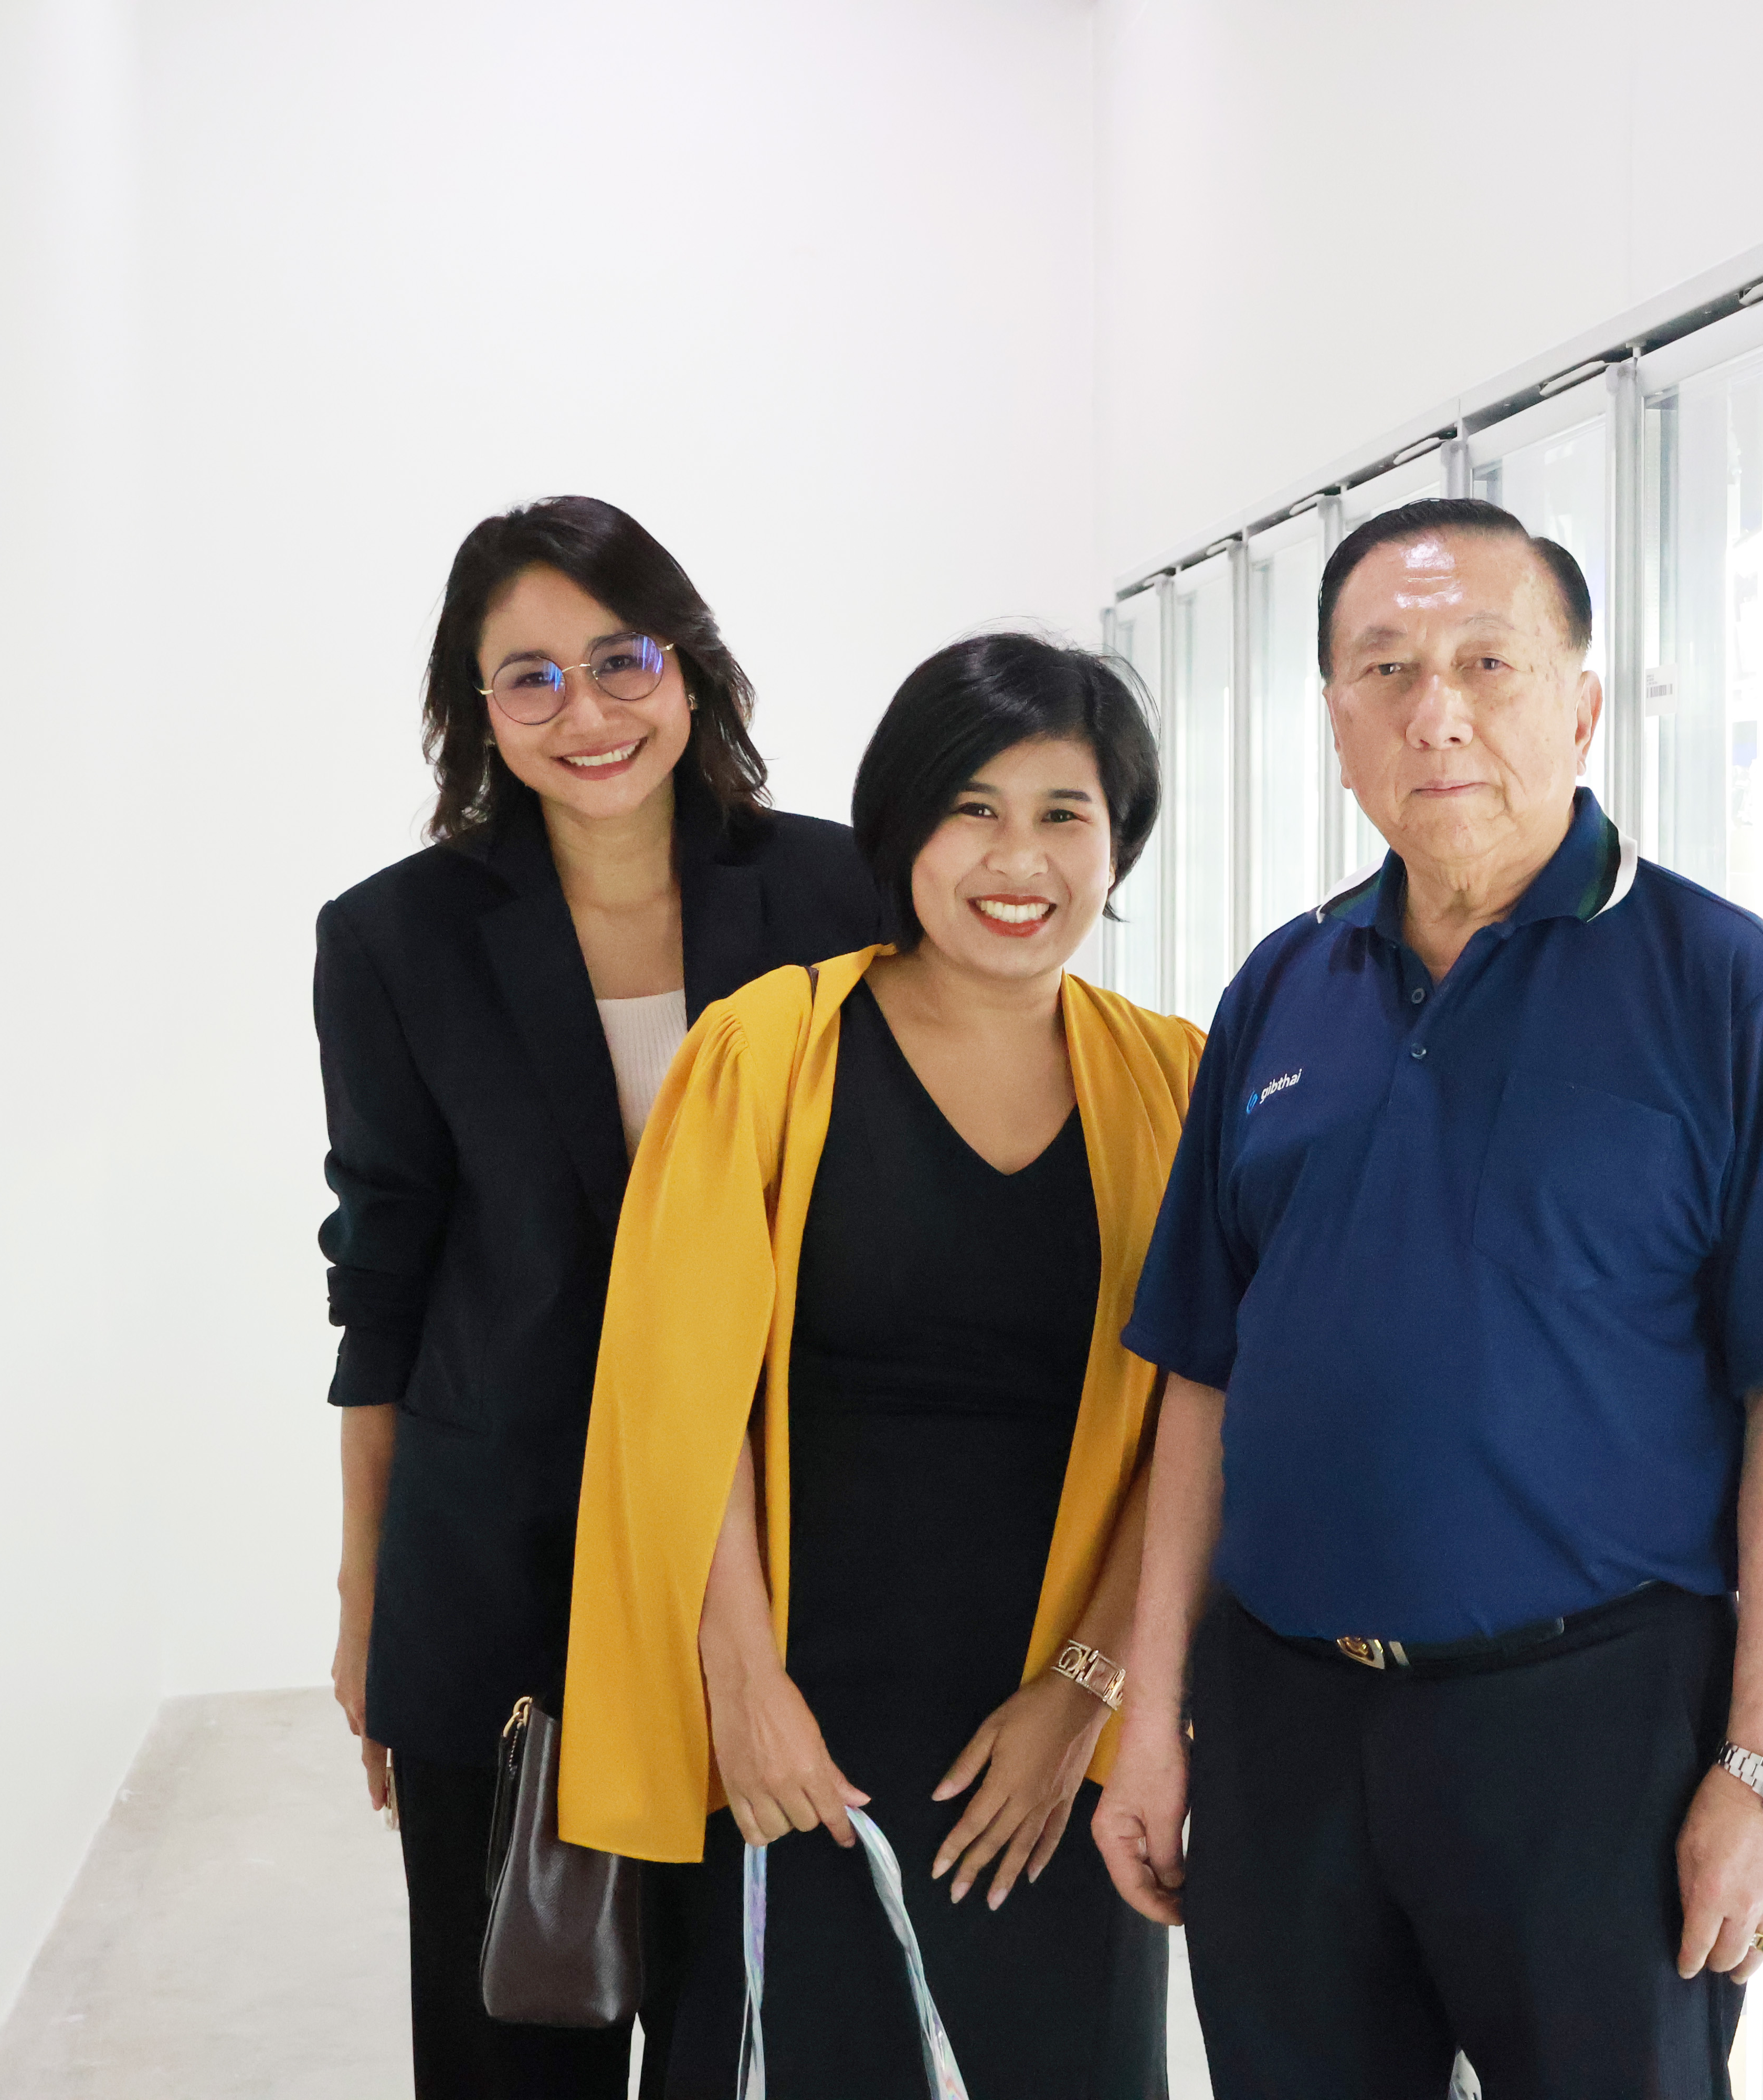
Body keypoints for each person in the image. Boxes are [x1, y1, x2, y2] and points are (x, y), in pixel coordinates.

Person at [1094, 498, 1763, 2097]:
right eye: (1384, 668)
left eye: (1485, 662)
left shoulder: (1721, 983)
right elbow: (1204, 1377)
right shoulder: (1282, 988)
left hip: (1598, 1738)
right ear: (1335, 720)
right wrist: (1151, 1710)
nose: (1435, 711)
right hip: (1286, 1722)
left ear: (1581, 706)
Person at [559, 632, 1195, 2097]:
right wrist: (744, 1692)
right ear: (901, 826)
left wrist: (1083, 1698)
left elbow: (1198, 1432)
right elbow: (681, 1407)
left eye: (1064, 814)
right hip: (801, 1714)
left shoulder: (1177, 1082)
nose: (1017, 859)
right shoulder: (767, 1052)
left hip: (1055, 1718)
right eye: (973, 809)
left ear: (1117, 844)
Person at [316, 496, 882, 2098]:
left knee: (742, 2035)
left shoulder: (843, 895)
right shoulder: (394, 939)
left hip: (784, 1565)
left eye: (622, 659)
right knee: (515, 2031)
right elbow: (383, 1279)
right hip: (504, 1565)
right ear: (478, 708)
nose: (587, 712)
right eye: (532, 677)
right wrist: (366, 1593)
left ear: (689, 670)